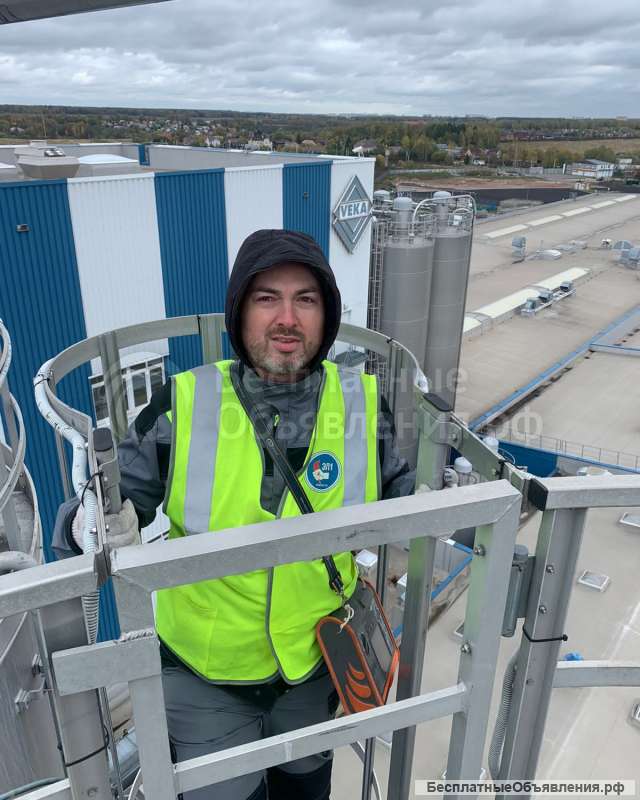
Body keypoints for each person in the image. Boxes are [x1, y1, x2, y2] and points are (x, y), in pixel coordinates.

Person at [55, 228, 414, 800]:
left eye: (306, 299)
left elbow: (416, 502)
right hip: (204, 678)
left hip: (313, 667)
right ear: (239, 312)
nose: (287, 318)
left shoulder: (366, 406)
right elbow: (96, 507)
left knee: (306, 792)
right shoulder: (185, 403)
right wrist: (93, 525)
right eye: (267, 297)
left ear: (327, 315)